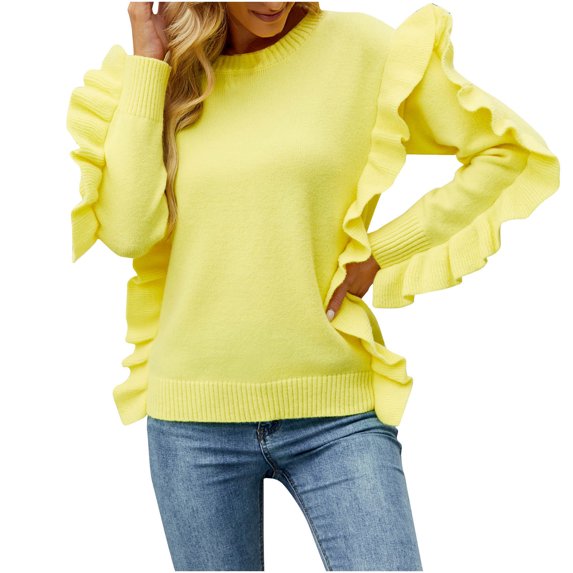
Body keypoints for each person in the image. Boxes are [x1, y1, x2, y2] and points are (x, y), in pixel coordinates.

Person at [66, 2, 560, 570]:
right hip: (192, 424)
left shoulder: (359, 48)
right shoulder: (165, 77)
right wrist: (149, 62)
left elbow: (505, 152)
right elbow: (129, 231)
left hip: (336, 412)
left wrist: (381, 252)